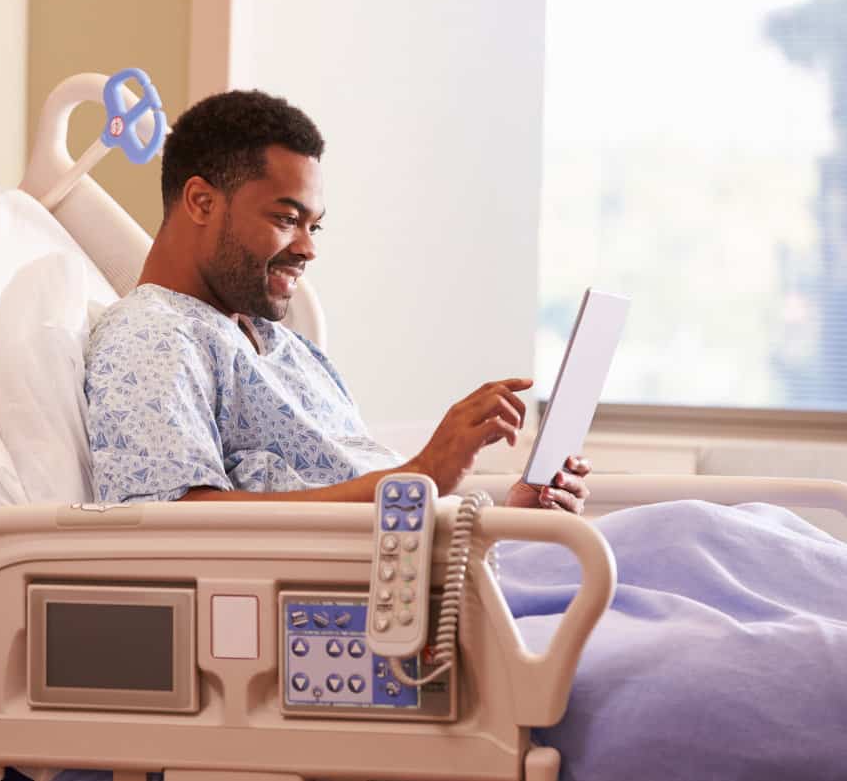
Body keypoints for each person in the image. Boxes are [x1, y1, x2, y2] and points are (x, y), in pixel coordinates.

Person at [84, 90, 590, 511]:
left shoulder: (288, 348)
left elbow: (356, 485)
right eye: (286, 219)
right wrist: (420, 475)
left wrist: (509, 517)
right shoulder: (152, 336)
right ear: (201, 201)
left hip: (433, 579)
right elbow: (169, 523)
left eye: (314, 225)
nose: (308, 248)